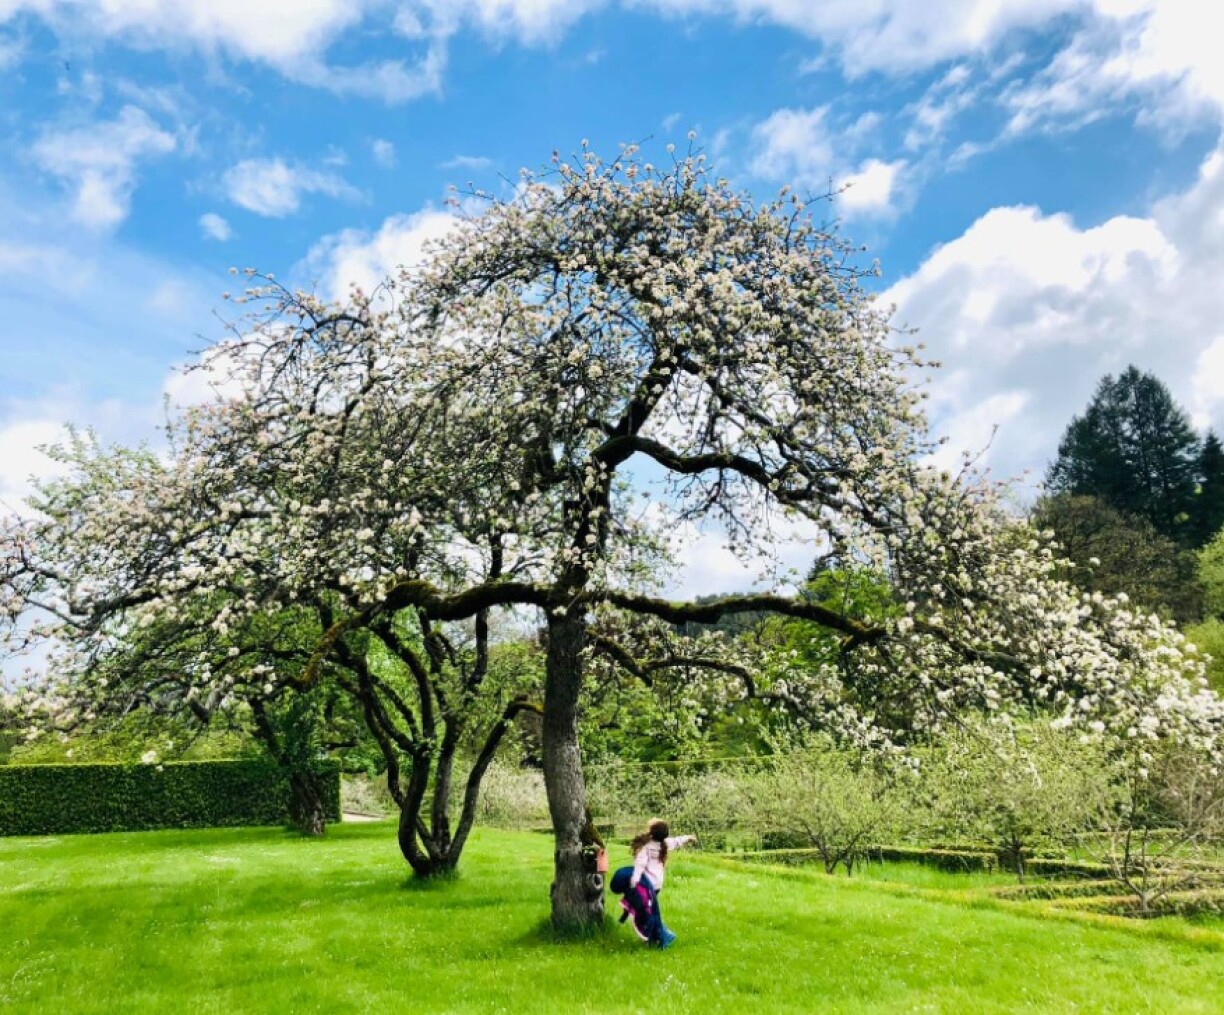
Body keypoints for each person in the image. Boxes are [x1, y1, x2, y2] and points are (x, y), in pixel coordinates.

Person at [610, 818, 696, 948]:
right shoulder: (665, 844)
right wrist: (689, 837)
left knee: (649, 913)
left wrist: (634, 881)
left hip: (646, 885)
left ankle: (661, 937)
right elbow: (677, 841)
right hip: (656, 885)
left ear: (652, 833)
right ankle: (655, 937)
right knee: (650, 911)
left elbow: (640, 866)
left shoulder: (646, 848)